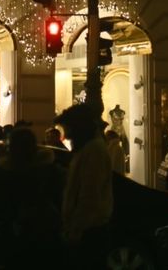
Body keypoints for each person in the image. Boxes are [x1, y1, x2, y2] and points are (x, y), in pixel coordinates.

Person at [0, 126, 66, 264]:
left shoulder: (6, 170)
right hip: (45, 227)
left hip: (16, 230)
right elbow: (58, 194)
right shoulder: (47, 167)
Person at [55, 103, 113, 270]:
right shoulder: (87, 149)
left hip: (89, 231)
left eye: (68, 129)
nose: (66, 135)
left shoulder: (93, 150)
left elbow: (89, 195)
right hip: (86, 229)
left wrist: (76, 229)